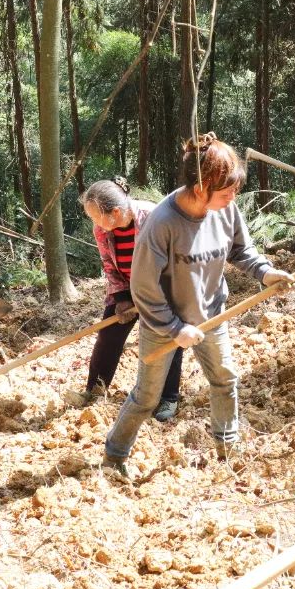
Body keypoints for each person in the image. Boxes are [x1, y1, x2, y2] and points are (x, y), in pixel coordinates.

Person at [103, 134, 295, 476]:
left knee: (225, 380)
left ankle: (228, 450)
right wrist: (175, 329)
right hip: (164, 324)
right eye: (226, 191)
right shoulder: (162, 223)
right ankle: (115, 455)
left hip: (212, 315)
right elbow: (144, 287)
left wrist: (265, 272)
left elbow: (241, 249)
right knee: (147, 397)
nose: (233, 197)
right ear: (201, 185)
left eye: (234, 190)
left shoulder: (224, 209)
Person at [81, 177, 185, 422]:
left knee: (167, 338)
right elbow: (109, 264)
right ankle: (95, 389)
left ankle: (168, 397)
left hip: (163, 286)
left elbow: (176, 259)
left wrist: (156, 296)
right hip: (127, 287)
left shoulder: (154, 217)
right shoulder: (102, 229)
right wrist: (121, 298)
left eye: (96, 217)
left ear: (115, 212)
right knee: (108, 336)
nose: (94, 224)